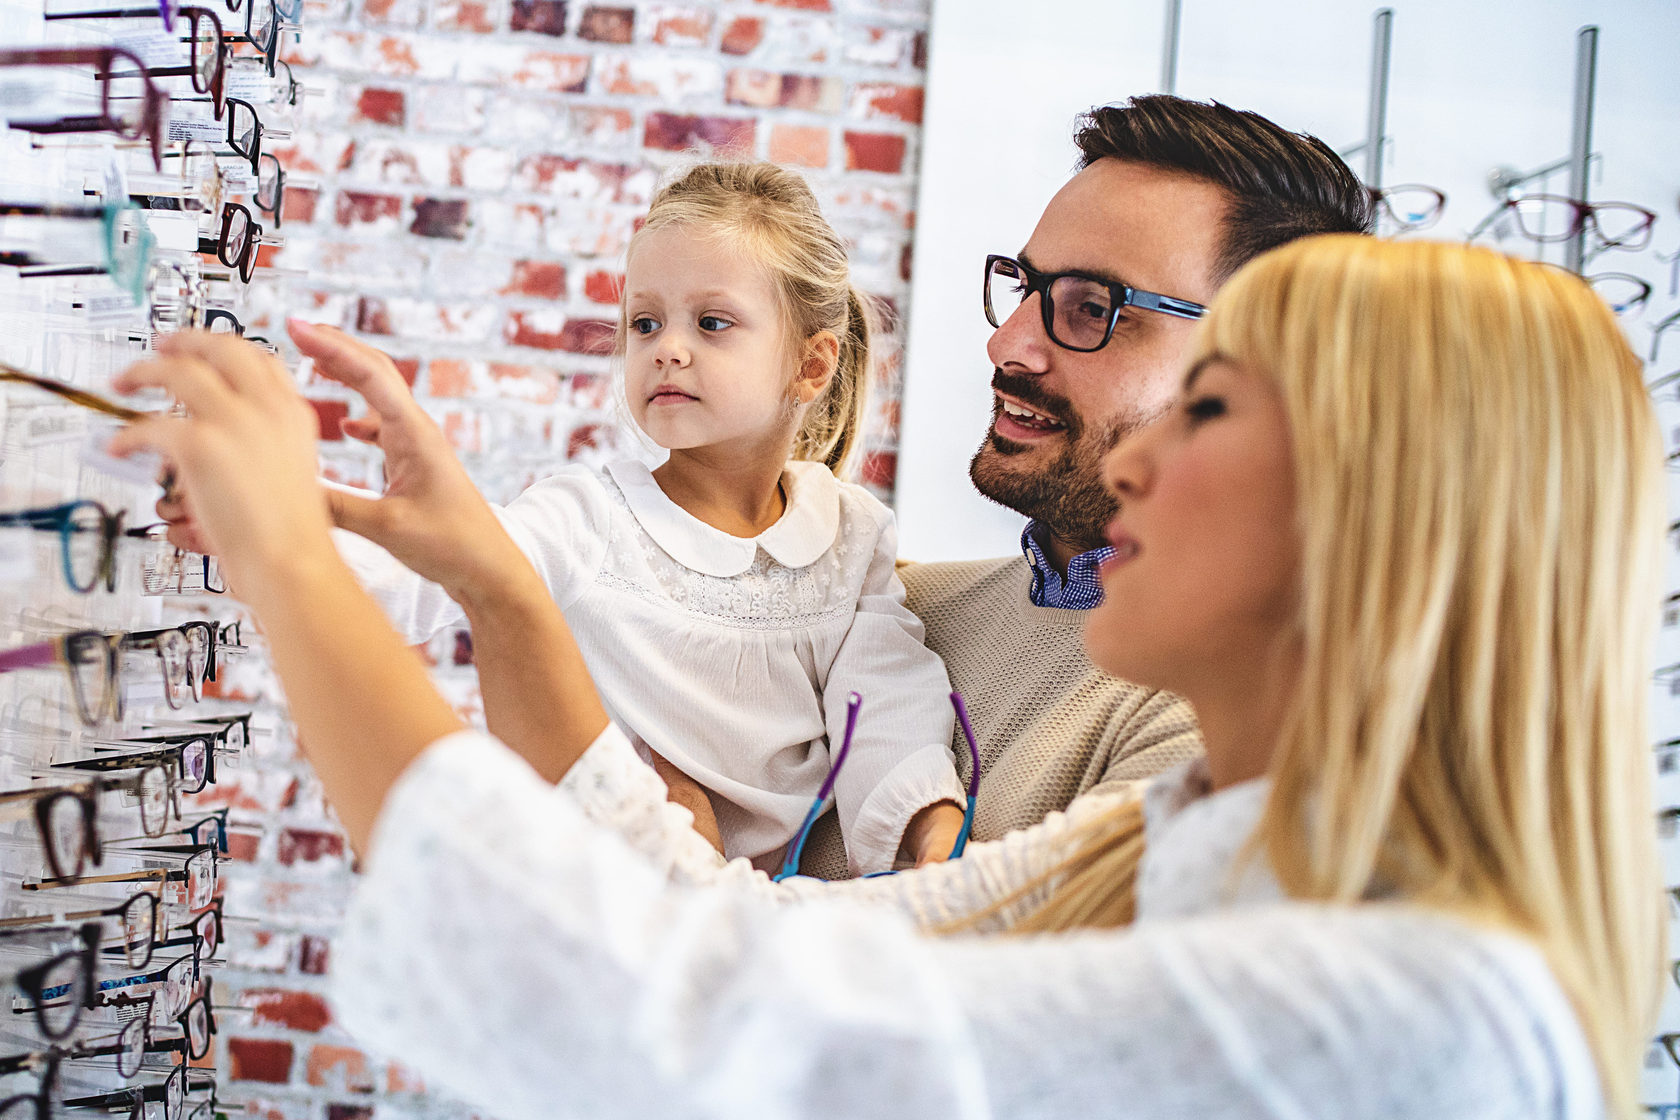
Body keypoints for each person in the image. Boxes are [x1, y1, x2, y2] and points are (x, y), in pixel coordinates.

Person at [112, 235, 1663, 1118]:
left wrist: (293, 574)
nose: (1130, 465)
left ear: (1375, 506)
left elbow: (700, 1024)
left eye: (1202, 409)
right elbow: (734, 934)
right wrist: (501, 594)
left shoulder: (1405, 1021)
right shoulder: (1167, 839)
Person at [326, 161, 968, 876]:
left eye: (712, 322)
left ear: (811, 367)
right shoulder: (589, 516)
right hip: (592, 888)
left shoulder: (850, 538)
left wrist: (931, 834)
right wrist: (285, 516)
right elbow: (439, 569)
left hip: (757, 913)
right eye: (644, 322)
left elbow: (887, 702)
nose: (667, 346)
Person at [795, 96, 1378, 877]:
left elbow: (973, 973)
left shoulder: (1235, 714)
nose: (1009, 345)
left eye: (1094, 307)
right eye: (1025, 287)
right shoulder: (888, 606)